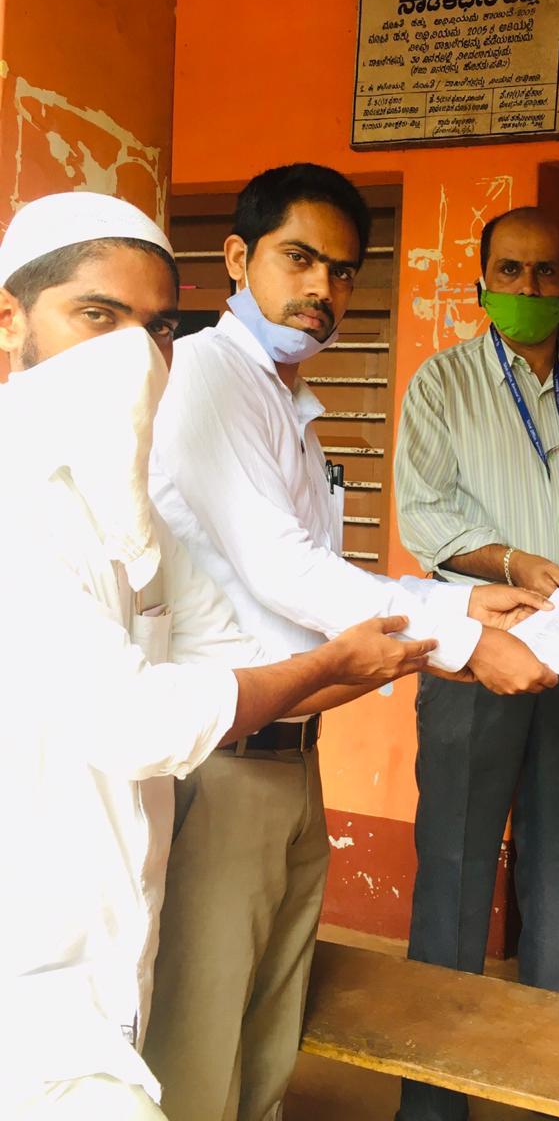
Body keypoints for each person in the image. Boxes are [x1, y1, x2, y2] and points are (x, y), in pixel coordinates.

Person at [0, 192, 436, 1119]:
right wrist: (377, 652)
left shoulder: (126, 509)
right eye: (97, 316)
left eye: (157, 328)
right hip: (29, 960)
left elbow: (226, 652)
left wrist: (408, 644)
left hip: (110, 935)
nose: (133, 355)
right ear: (11, 320)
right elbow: (139, 719)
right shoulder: (15, 499)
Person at [143, 164, 554, 1121]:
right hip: (224, 766)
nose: (321, 288)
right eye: (298, 259)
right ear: (237, 259)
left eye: (341, 270)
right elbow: (286, 572)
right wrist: (462, 641)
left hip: (292, 757)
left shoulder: (289, 407)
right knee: (202, 1054)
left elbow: (321, 579)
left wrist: (466, 599)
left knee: (267, 1039)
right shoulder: (209, 377)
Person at [393, 206, 559, 1121]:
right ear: (483, 284)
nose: (529, 287)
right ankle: (433, 1097)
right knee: (455, 857)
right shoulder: (442, 384)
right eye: (510, 271)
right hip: (478, 654)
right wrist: (509, 562)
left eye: (546, 271)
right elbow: (426, 515)